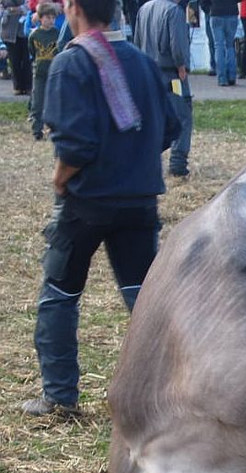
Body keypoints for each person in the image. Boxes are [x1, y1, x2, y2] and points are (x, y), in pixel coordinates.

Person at [22, 0, 180, 417]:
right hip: (139, 200)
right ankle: (173, 393)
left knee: (59, 293)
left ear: (73, 7)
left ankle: (60, 397)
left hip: (86, 202)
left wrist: (60, 178)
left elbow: (77, 146)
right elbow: (170, 128)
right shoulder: (144, 62)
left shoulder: (71, 63)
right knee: (145, 302)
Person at [135, 0, 192, 176]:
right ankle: (177, 162)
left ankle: (146, 158)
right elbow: (177, 44)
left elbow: (136, 40)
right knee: (183, 115)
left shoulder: (144, 9)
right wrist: (181, 66)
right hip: (171, 74)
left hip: (148, 69)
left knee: (153, 116)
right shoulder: (174, 11)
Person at [28, 1, 58, 139]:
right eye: (47, 17)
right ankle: (37, 130)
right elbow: (32, 51)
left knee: (54, 102)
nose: (50, 21)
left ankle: (54, 129)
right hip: (39, 72)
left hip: (54, 72)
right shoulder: (34, 35)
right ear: (40, 18)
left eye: (53, 18)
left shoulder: (57, 34)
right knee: (37, 102)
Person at [1, 0, 33, 94]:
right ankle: (17, 86)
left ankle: (28, 87)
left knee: (27, 61)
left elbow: (30, 7)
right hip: (9, 32)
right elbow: (2, 10)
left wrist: (15, 9)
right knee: (14, 61)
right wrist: (12, 10)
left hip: (25, 32)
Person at [208, 0, 238, 86]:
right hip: (232, 12)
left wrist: (209, 9)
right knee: (230, 46)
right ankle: (232, 76)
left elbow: (203, 2)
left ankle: (222, 78)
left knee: (218, 46)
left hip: (216, 12)